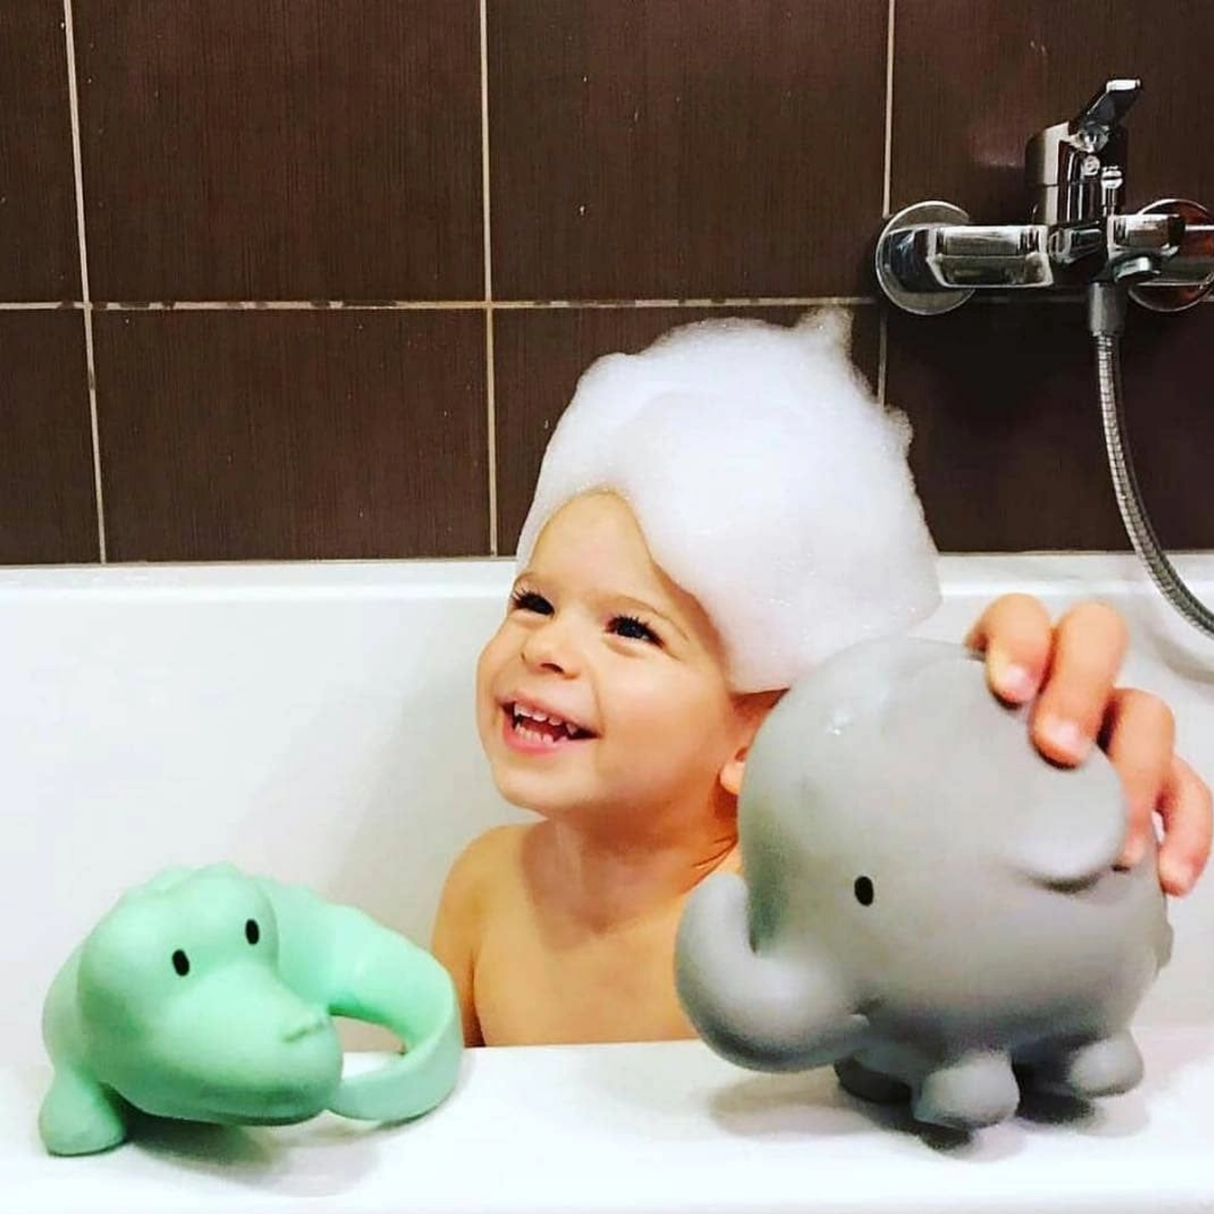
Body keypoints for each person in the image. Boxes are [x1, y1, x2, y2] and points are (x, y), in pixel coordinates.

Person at [431, 312, 1212, 1048]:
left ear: (761, 738)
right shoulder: (485, 889)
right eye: (533, 601)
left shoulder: (819, 918)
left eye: (630, 629)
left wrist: (1018, 781)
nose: (547, 647)